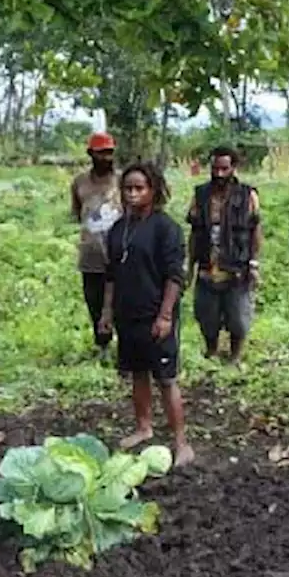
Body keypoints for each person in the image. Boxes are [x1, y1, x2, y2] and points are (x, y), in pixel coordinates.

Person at [99, 162, 194, 467]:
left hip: (156, 315)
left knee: (166, 379)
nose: (132, 194)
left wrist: (165, 316)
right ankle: (143, 427)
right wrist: (107, 313)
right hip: (128, 316)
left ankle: (181, 442)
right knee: (138, 374)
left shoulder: (166, 228)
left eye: (139, 188)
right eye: (128, 188)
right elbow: (111, 275)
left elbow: (174, 277)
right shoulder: (117, 230)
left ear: (153, 191)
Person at [186, 146, 263, 364]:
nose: (219, 173)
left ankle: (235, 358)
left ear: (233, 168)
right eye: (215, 168)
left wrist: (254, 264)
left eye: (224, 168)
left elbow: (255, 230)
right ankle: (211, 352)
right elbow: (194, 232)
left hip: (237, 268)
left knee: (238, 318)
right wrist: (189, 267)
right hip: (207, 267)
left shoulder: (247, 195)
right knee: (206, 317)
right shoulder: (200, 195)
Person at [70, 132, 121, 362]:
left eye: (109, 152)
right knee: (95, 303)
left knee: (123, 303)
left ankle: (126, 349)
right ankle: (103, 348)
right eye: (101, 153)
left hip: (121, 254)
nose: (106, 157)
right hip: (91, 256)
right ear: (91, 154)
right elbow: (77, 213)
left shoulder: (122, 181)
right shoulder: (79, 183)